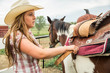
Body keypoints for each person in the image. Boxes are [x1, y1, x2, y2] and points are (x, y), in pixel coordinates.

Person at [3, 0, 79, 73]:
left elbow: (42, 49)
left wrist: (62, 49)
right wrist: (66, 48)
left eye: (34, 14)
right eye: (30, 14)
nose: (34, 17)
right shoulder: (17, 35)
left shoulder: (28, 33)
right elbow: (41, 53)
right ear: (21, 18)